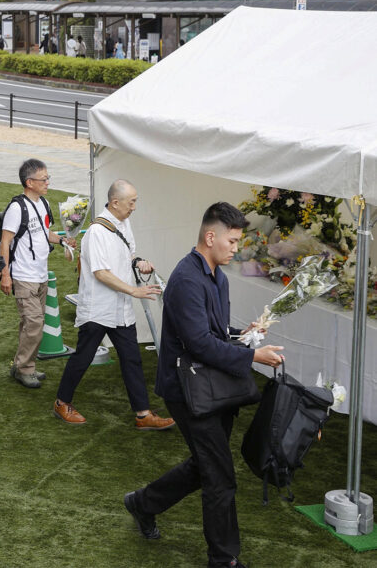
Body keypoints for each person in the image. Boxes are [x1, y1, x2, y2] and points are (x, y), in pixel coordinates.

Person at [124, 202, 285, 568]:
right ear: (210, 237)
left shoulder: (217, 276)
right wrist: (252, 357)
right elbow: (198, 344)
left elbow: (213, 332)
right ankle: (223, 559)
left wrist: (243, 335)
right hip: (187, 391)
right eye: (232, 241)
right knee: (220, 476)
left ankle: (142, 503)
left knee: (207, 466)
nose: (236, 249)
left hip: (210, 389)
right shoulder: (185, 279)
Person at [53, 179, 175, 431]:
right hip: (98, 309)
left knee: (132, 359)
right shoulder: (97, 232)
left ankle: (142, 414)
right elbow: (101, 273)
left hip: (121, 309)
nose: (134, 207)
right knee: (83, 357)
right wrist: (134, 291)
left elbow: (128, 254)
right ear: (115, 202)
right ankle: (61, 402)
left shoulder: (123, 223)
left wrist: (139, 262)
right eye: (132, 202)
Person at [0, 160, 75, 388]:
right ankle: (24, 368)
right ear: (29, 182)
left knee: (30, 324)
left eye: (48, 178)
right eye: (44, 179)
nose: (48, 182)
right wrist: (5, 274)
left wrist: (62, 240)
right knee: (34, 324)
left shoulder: (44, 203)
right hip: (24, 276)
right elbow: (5, 242)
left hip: (41, 274)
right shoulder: (16, 208)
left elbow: (44, 232)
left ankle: (22, 365)